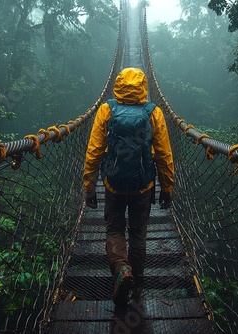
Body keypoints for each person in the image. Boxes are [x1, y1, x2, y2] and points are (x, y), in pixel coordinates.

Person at [83, 67, 174, 305]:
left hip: (113, 184)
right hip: (142, 185)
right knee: (138, 232)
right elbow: (164, 154)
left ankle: (122, 270)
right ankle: (138, 283)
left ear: (118, 83)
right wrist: (167, 188)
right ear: (145, 86)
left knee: (114, 229)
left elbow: (94, 152)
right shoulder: (153, 113)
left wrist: (89, 187)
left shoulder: (107, 109)